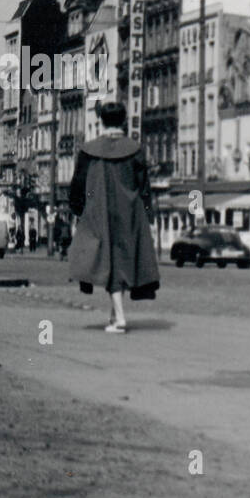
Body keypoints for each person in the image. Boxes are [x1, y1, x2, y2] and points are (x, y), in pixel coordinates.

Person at [68, 102, 160, 333]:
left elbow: (78, 184)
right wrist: (149, 215)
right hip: (130, 212)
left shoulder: (89, 150)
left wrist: (79, 210)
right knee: (122, 262)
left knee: (104, 261)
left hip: (98, 211)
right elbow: (144, 186)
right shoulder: (135, 149)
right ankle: (114, 315)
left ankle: (119, 319)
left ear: (101, 121)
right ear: (124, 121)